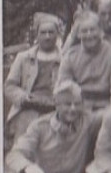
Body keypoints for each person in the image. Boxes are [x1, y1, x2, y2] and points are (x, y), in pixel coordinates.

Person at [4, 13, 65, 144]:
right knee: (25, 145)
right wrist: (23, 97)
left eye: (51, 32)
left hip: (55, 109)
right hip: (29, 108)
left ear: (57, 34)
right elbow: (9, 86)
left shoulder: (65, 59)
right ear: (37, 35)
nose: (47, 37)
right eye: (43, 32)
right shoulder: (23, 58)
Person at [57, 14, 111, 112]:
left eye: (92, 30)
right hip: (78, 107)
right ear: (78, 34)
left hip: (106, 106)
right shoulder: (70, 56)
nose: (89, 35)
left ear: (101, 31)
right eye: (84, 31)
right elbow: (64, 87)